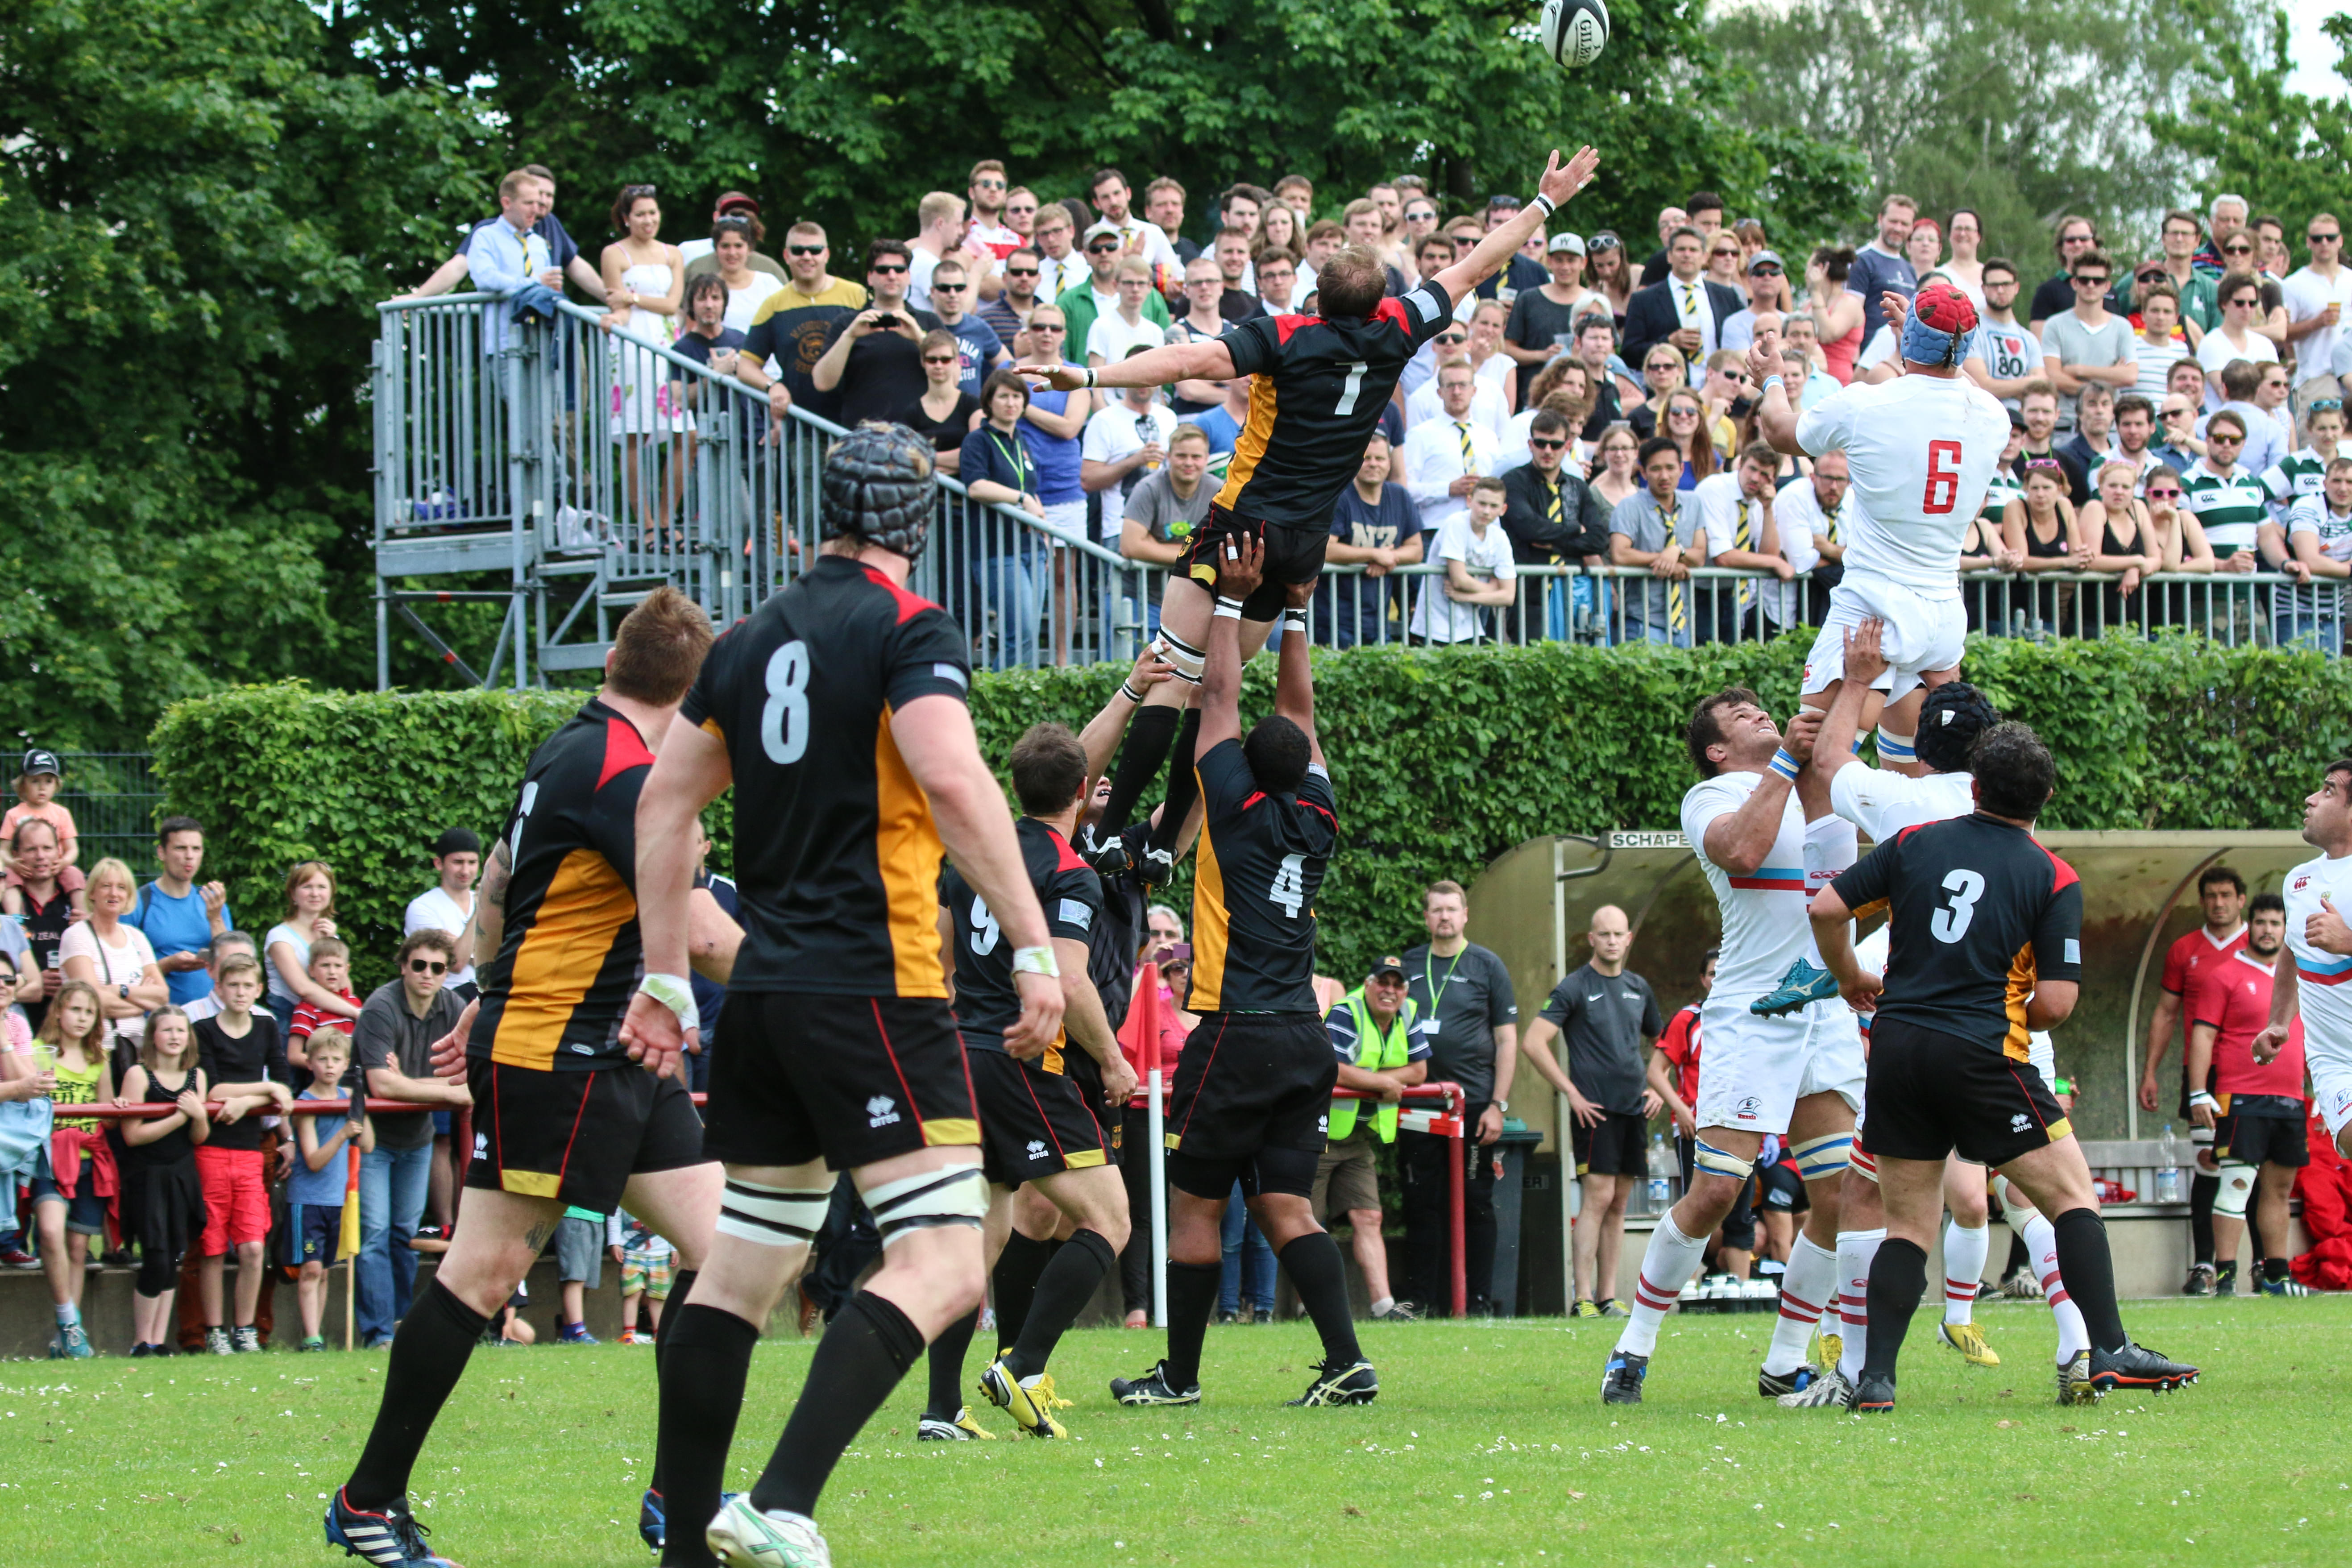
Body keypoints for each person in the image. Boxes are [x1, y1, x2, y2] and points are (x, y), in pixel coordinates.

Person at [603, 428, 1057, 1567]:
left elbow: (662, 807)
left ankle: (686, 1549)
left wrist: (664, 975)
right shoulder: (912, 629)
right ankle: (782, 1499)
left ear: (827, 512)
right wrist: (1036, 945)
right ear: (917, 521)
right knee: (947, 1261)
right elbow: (950, 775)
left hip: (764, 991)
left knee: (743, 1266)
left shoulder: (747, 639)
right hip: (874, 984)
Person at [1023, 146, 1604, 883]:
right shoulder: (1399, 326)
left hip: (1242, 524)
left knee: (1171, 673)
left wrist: (1088, 373)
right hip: (1301, 544)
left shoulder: (1285, 335)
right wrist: (1543, 204)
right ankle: (1165, 842)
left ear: (1315, 298)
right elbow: (1475, 266)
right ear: (1380, 299)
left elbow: (1186, 362)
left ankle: (1109, 833)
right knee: (1213, 689)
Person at [325, 589, 739, 1568]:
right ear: (693, 698)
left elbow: (503, 878)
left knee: (728, 1253)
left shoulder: (568, 747)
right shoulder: (631, 775)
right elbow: (705, 934)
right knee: (482, 1273)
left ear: (614, 663)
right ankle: (367, 1501)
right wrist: (838, 991)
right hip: (562, 1054)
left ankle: (680, 1494)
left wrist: (484, 986)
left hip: (612, 1047)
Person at [1809, 722, 2200, 1409]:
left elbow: (1825, 907)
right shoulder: (2051, 876)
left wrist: (1848, 976)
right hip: (1981, 1053)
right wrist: (2010, 1006)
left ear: (1975, 789)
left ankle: (1874, 1380)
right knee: (2071, 1197)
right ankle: (2108, 1349)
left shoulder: (1913, 842)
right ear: (2045, 797)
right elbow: (2055, 1003)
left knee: (1907, 1226)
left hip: (1897, 1050)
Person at [1100, 533, 1375, 1408]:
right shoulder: (1318, 813)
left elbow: (1219, 694)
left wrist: (1228, 596)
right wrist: (1293, 609)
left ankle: (1179, 1376)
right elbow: (1298, 710)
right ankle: (1348, 1360)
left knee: (1195, 1208)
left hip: (1234, 1034)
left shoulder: (1234, 805)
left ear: (1244, 768)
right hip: (1302, 1039)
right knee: (1287, 1206)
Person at [1601, 693, 1854, 1407]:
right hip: (1751, 1015)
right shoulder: (1711, 796)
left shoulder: (1817, 781)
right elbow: (1741, 851)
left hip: (1822, 1010)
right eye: (1740, 715)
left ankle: (1785, 1359)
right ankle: (1633, 1347)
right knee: (1716, 1189)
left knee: (1836, 1194)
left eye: (1760, 707)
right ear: (1715, 749)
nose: (1759, 714)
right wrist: (1786, 763)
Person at [919, 723, 1138, 1441]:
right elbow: (1067, 980)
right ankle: (1022, 1364)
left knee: (980, 1234)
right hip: (1021, 1059)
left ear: (1014, 788)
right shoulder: (1070, 872)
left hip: (962, 1054)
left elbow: (941, 961)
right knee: (1109, 1219)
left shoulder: (970, 855)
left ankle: (941, 1409)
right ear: (1082, 791)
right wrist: (1111, 1059)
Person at [1747, 281, 2009, 772]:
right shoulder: (1994, 416)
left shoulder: (1867, 403)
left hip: (1872, 606)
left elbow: (1780, 431)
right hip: (1942, 615)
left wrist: (1772, 380)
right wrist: (1926, 338)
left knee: (1813, 759)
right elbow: (1951, 380)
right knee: (1918, 774)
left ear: (1910, 341)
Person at [1518, 904, 1664, 1318]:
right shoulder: (1574, 987)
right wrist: (1571, 1093)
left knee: (1619, 1202)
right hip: (1594, 1112)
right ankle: (1581, 1297)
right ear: (1591, 939)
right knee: (1597, 1198)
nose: (1612, 941)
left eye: (1618, 934)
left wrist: (1657, 1087)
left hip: (1633, 1110)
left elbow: (1663, 1043)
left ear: (1628, 939)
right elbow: (1533, 1042)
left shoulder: (1638, 987)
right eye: (1604, 934)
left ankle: (1607, 1296)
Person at [1397, 879, 1519, 1317]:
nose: (1444, 917)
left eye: (1452, 909)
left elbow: (1507, 1040)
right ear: (1426, 917)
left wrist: (1497, 1105)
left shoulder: (1488, 966)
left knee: (1475, 1202)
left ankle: (1478, 1299)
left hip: (1474, 1107)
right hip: (1417, 1105)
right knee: (1420, 1202)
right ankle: (1421, 1300)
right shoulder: (1407, 965)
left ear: (1465, 915)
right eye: (1437, 909)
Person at [345, 930, 472, 1351]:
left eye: (438, 967)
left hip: (418, 1138)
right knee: (375, 1233)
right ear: (403, 966)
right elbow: (381, 1085)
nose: (427, 974)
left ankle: (399, 1326)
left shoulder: (454, 1007)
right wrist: (443, 1090)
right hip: (373, 1138)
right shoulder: (380, 1007)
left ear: (447, 972)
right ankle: (378, 1333)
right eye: (419, 965)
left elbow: (470, 1076)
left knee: (403, 1233)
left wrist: (409, 1083)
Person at [2184, 894, 2308, 1296]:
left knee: (2278, 1190)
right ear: (2249, 926)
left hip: (2290, 1099)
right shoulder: (2224, 974)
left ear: (2285, 929)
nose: (2267, 930)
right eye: (2260, 922)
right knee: (2237, 1184)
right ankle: (2225, 1275)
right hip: (2241, 1097)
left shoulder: (2299, 979)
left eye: (2275, 923)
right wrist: (2198, 1092)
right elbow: (2203, 1036)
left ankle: (2276, 1276)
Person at [2139, 864, 2249, 1294]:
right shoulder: (2185, 950)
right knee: (2209, 1164)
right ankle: (2204, 1266)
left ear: (2241, 900)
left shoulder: (2262, 944)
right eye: (2211, 896)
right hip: (2204, 1074)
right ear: (2202, 901)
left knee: (2253, 1165)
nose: (2219, 904)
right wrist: (2150, 1071)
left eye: (2226, 895)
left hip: (2253, 1073)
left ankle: (2263, 1266)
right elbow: (2166, 1012)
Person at [1315, 956, 1427, 1323]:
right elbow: (1332, 1068)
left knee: (1369, 1216)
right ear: (1367, 984)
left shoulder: (1408, 1012)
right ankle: (1307, 1307)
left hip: (1359, 1138)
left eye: (1397, 985)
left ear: (1405, 991)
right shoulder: (1345, 1012)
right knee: (1308, 1223)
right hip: (1318, 1135)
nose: (1389, 991)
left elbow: (1419, 1070)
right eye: (1383, 982)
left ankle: (1383, 1307)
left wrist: (1373, 1079)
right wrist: (1382, 1082)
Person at [2255, 762, 2352, 1181]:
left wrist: (2348, 942)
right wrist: (2278, 1021)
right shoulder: (2298, 880)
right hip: (2334, 1061)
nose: (2310, 799)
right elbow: (2293, 951)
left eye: (2328, 791)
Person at [191, 951, 291, 1354]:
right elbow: (214, 1090)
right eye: (232, 985)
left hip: (251, 1150)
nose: (240, 992)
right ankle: (215, 1331)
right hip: (212, 1150)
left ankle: (245, 1329)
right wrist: (264, 1090)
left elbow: (284, 1086)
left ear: (259, 989)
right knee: (213, 1246)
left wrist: (249, 1102)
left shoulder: (266, 1026)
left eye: (248, 986)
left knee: (252, 1246)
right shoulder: (203, 1030)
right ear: (218, 987)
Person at [119, 1006, 210, 1357]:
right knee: (156, 1257)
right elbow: (133, 1136)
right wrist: (180, 1117)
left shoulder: (197, 1077)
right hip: (147, 1176)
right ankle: (140, 1342)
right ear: (153, 1036)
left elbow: (199, 1136)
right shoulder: (138, 1075)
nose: (175, 1036)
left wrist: (198, 1117)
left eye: (181, 1030)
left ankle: (157, 1342)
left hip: (182, 1173)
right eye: (167, 1030)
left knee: (174, 1256)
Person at [26, 981, 110, 1356]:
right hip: (49, 1158)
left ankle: (70, 1339)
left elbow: (107, 1114)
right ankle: (68, 1320)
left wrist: (117, 1105)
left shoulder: (99, 1059)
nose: (82, 1018)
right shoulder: (37, 1052)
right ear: (58, 1011)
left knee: (78, 1246)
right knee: (49, 1231)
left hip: (89, 1162)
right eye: (75, 1009)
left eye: (89, 1012)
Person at [289, 1025, 369, 1352]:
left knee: (324, 1270)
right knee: (310, 1269)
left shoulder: (349, 1098)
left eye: (336, 1060)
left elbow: (368, 1144)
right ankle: (312, 1337)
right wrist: (342, 1134)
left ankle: (317, 1335)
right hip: (307, 1199)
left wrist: (362, 1110)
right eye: (322, 1059)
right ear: (310, 1063)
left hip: (337, 1199)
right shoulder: (305, 1103)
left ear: (346, 1064)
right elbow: (313, 1161)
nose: (330, 1066)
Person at [807, 241, 942, 428]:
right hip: (862, 436)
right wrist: (850, 337)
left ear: (909, 277)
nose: (892, 276)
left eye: (899, 270)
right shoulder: (847, 323)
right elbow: (822, 383)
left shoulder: (930, 322)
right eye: (883, 270)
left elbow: (953, 378)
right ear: (870, 278)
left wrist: (920, 338)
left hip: (918, 434)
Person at [58, 857, 166, 1057]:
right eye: (106, 886)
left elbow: (162, 996)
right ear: (92, 892)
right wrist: (141, 1004)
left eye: (121, 888)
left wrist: (120, 990)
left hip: (139, 1050)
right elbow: (92, 1002)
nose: (114, 893)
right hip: (97, 1050)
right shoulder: (77, 936)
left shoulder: (137, 937)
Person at [124, 817, 229, 1009]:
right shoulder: (139, 902)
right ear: (162, 853)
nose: (189, 856)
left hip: (211, 1016)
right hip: (159, 1016)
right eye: (181, 848)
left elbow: (231, 964)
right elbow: (122, 972)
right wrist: (167, 965)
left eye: (196, 849)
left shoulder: (212, 901)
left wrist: (215, 918)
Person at [1610, 436, 1705, 646]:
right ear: (1643, 473)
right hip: (1642, 619)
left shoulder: (1694, 503)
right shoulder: (1629, 506)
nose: (1664, 476)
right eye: (1655, 469)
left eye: (1671, 468)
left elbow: (1699, 556)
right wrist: (1667, 561)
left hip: (1684, 621)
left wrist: (1677, 551)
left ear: (1681, 469)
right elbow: (1620, 554)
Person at [1410, 475, 1517, 644]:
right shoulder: (1455, 524)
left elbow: (1508, 597)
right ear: (1469, 501)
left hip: (1471, 626)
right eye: (1482, 503)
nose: (1487, 511)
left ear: (1503, 510)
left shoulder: (1500, 537)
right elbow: (1459, 580)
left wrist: (1465, 597)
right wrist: (1493, 588)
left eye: (1494, 506)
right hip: (1434, 625)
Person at [2040, 249, 2137, 433]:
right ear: (2074, 283)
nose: (2091, 285)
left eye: (2098, 281)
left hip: (2110, 427)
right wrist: (2107, 381)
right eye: (2084, 280)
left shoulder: (2122, 327)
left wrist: (2079, 370)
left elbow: (2130, 376)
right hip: (2066, 425)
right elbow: (2053, 377)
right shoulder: (2055, 325)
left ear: (2107, 286)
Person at [1623, 226, 1743, 373]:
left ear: (1705, 257)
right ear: (1669, 256)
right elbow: (1629, 352)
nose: (1687, 255)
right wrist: (1668, 343)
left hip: (1718, 382)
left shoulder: (1727, 296)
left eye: (1693, 250)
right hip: (1669, 384)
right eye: (1681, 250)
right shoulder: (1643, 300)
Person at [2273, 455, 2352, 652]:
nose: (2343, 488)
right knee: (2295, 672)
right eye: (2337, 481)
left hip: (2334, 614)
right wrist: (2349, 569)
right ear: (2324, 483)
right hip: (2296, 613)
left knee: (2330, 674)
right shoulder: (2307, 506)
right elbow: (2309, 560)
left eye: (2350, 482)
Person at [266, 862, 354, 1033]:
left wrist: (331, 940)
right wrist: (356, 1013)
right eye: (307, 887)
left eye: (322, 887)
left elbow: (345, 990)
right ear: (293, 894)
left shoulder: (330, 936)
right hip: (290, 1024)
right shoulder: (279, 937)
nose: (315, 894)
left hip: (330, 1024)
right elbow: (303, 989)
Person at [405, 828, 481, 997]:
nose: (465, 871)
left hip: (488, 997)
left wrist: (462, 946)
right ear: (439, 864)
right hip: (449, 998)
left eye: (472, 862)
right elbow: (456, 962)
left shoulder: (491, 903)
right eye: (458, 862)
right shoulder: (423, 908)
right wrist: (478, 913)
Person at [1963, 258, 2046, 409]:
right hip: (1984, 414)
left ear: (2016, 288)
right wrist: (2027, 384)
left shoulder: (2029, 339)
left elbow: (2040, 386)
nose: (2000, 290)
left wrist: (2001, 388)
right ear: (1984, 289)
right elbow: (1981, 385)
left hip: (2021, 419)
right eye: (1994, 286)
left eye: (2006, 285)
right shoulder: (1972, 332)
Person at [2283, 215, 2350, 402]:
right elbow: (2284, 334)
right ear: (2309, 243)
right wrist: (2315, 324)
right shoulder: (2293, 284)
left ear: (2340, 241)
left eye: (2331, 238)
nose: (2324, 243)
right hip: (2317, 374)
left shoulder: (2350, 279)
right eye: (2317, 239)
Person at [923, 258, 1008, 398]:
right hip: (932, 408)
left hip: (973, 409)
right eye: (945, 288)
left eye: (959, 288)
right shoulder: (922, 326)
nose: (952, 294)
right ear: (933, 292)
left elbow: (1009, 366)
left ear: (966, 291)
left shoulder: (979, 327)